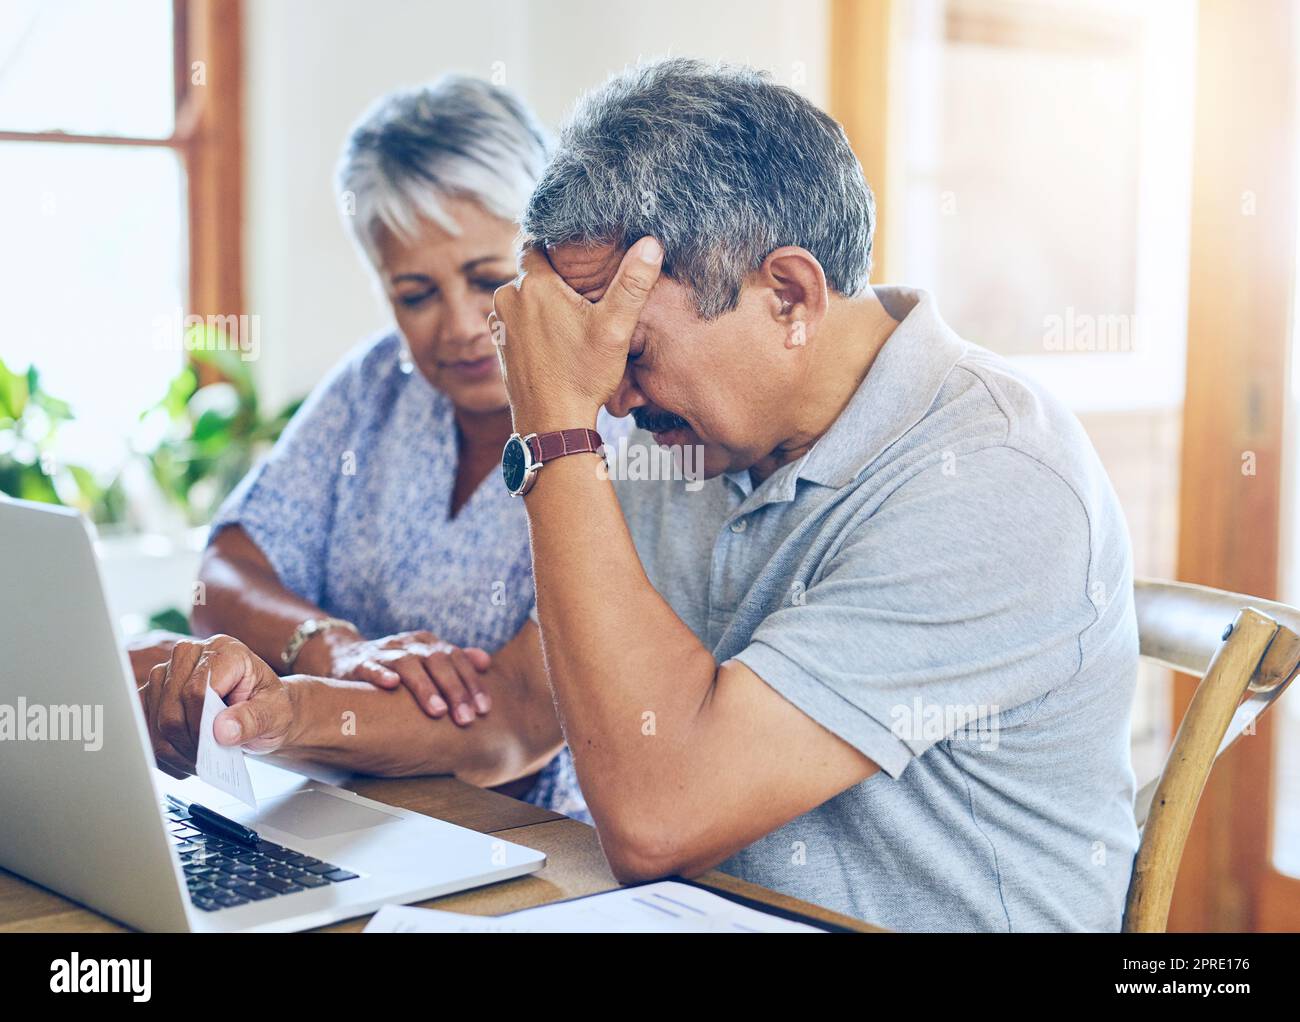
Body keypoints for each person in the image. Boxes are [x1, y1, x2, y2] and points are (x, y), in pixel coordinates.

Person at [140, 59, 1140, 931]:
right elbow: (520, 711)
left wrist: (556, 432)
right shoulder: (699, 435)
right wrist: (281, 716)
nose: (612, 395)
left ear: (787, 297)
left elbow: (660, 816)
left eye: (631, 352)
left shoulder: (993, 478)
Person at [136, 75, 624, 819]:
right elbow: (227, 570)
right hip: (333, 811)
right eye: (415, 294)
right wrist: (334, 649)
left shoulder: (620, 421)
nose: (460, 326)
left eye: (486, 278)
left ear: (550, 255)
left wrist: (295, 708)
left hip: (542, 837)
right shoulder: (375, 384)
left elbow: (519, 718)